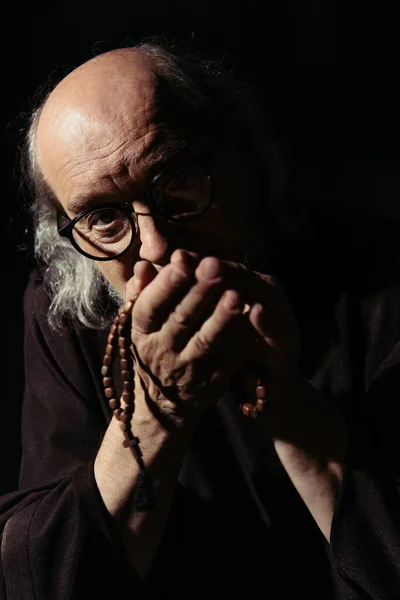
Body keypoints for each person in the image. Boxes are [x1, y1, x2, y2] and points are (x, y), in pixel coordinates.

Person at [1, 40, 399, 600]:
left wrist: (284, 405)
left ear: (242, 158)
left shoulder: (382, 273)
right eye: (104, 218)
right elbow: (41, 581)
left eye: (175, 182)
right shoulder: (67, 309)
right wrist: (155, 411)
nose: (158, 246)